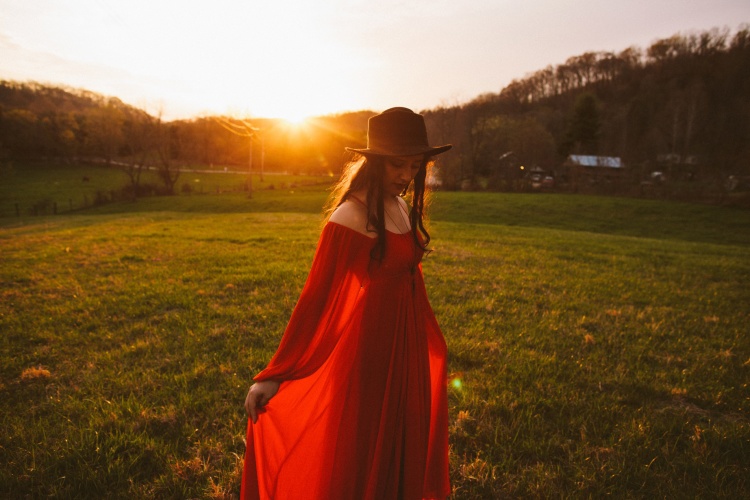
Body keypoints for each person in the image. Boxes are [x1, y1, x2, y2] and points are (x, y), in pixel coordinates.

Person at [241, 107, 452, 499]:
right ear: (373, 163)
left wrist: (428, 340)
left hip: (406, 346)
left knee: (404, 439)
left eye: (415, 165)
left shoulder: (402, 206)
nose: (407, 175)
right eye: (397, 165)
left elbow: (409, 280)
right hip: (369, 352)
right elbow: (316, 300)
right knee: (367, 446)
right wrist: (276, 372)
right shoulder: (350, 217)